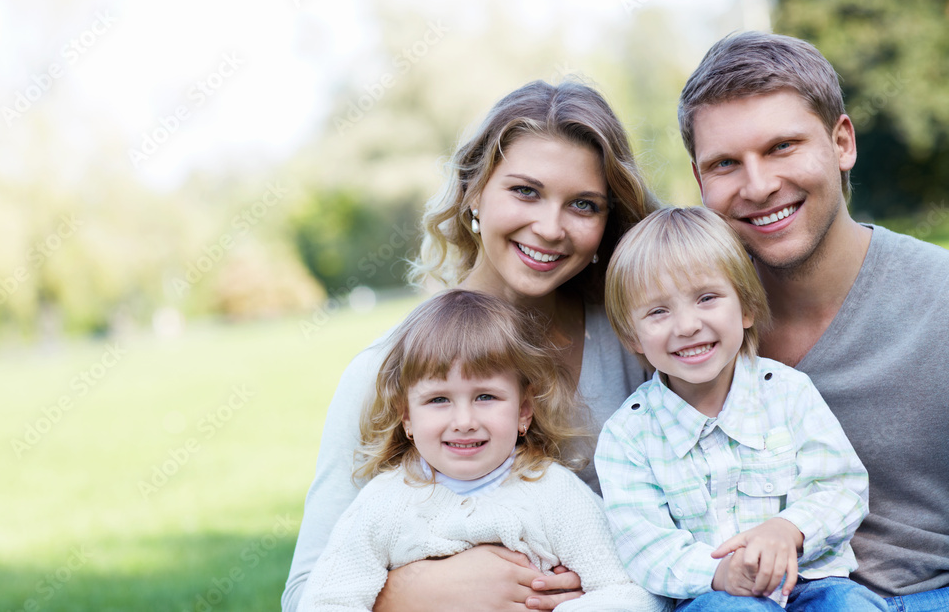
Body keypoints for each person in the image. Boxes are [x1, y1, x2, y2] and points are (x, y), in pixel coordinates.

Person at [282, 79, 660, 612]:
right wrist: (417, 592)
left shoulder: (639, 346)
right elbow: (306, 595)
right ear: (474, 192)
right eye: (525, 191)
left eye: (583, 204)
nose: (550, 227)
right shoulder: (387, 369)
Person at [678, 31, 949, 610]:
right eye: (725, 163)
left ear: (842, 141)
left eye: (782, 147)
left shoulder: (939, 298)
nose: (758, 185)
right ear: (700, 182)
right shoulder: (679, 324)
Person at [297, 290, 670, 612]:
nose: (464, 420)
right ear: (406, 417)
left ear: (524, 410)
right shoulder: (382, 506)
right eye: (439, 399)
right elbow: (327, 600)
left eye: (486, 397)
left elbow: (634, 591)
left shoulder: (555, 495)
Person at [596, 206, 885, 611]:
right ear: (633, 336)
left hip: (811, 581)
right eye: (658, 311)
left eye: (707, 298)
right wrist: (718, 572)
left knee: (853, 606)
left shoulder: (788, 393)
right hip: (715, 595)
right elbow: (644, 544)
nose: (687, 325)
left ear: (746, 308)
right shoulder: (627, 435)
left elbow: (841, 487)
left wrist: (789, 529)